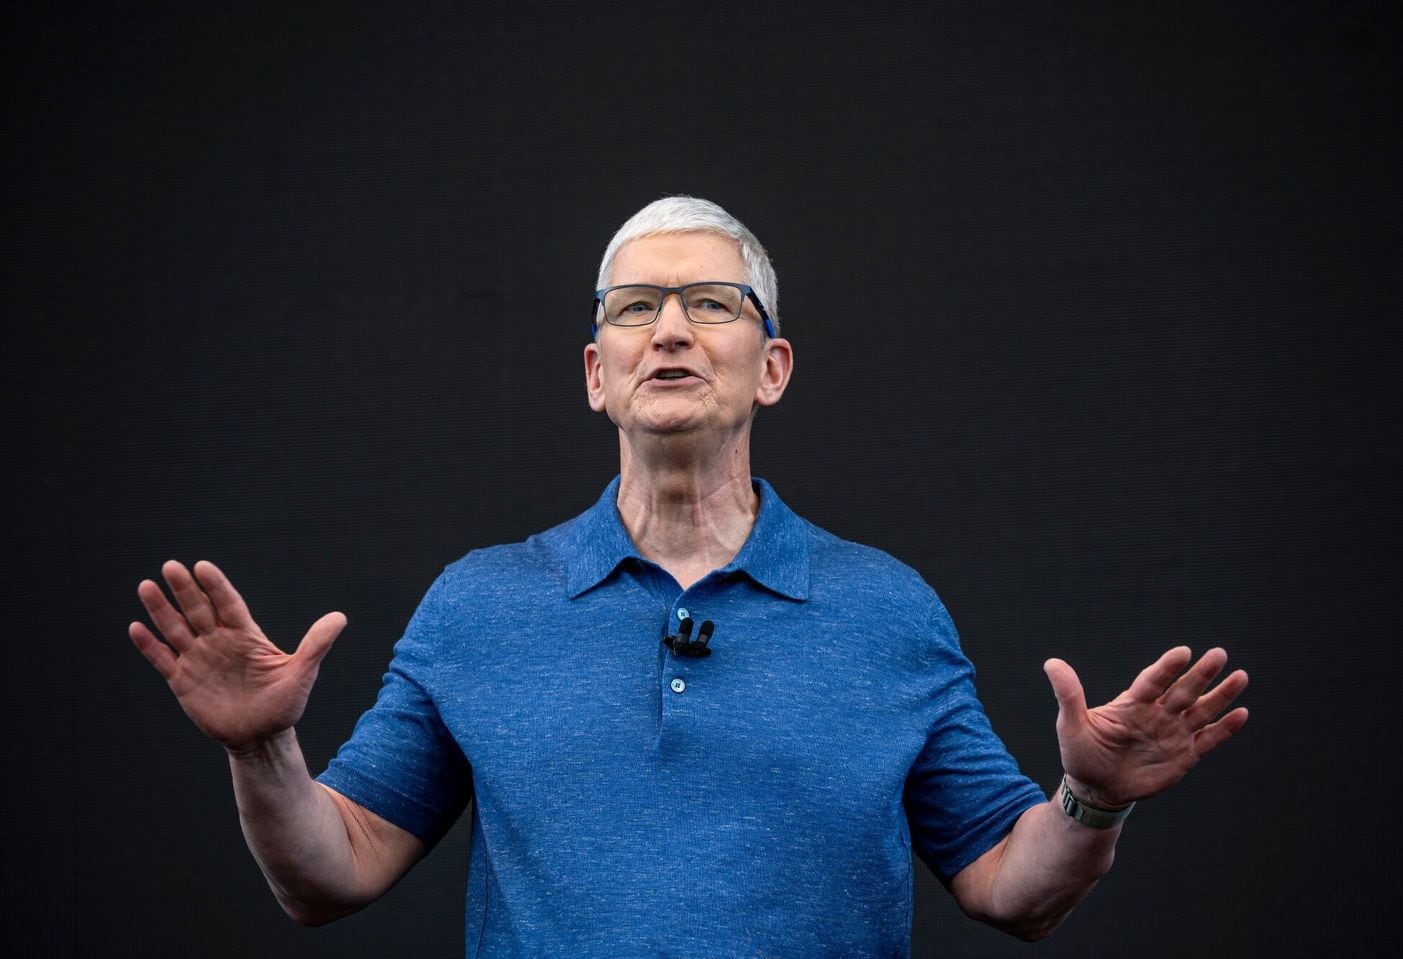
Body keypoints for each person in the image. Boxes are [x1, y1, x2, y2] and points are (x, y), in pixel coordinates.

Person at [129, 196, 1249, 957]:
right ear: (595, 373)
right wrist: (262, 746)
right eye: (633, 308)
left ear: (772, 366)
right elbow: (329, 870)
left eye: (711, 303)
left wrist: (1094, 796)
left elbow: (1014, 883)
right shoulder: (478, 604)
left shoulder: (885, 609)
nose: (668, 329)